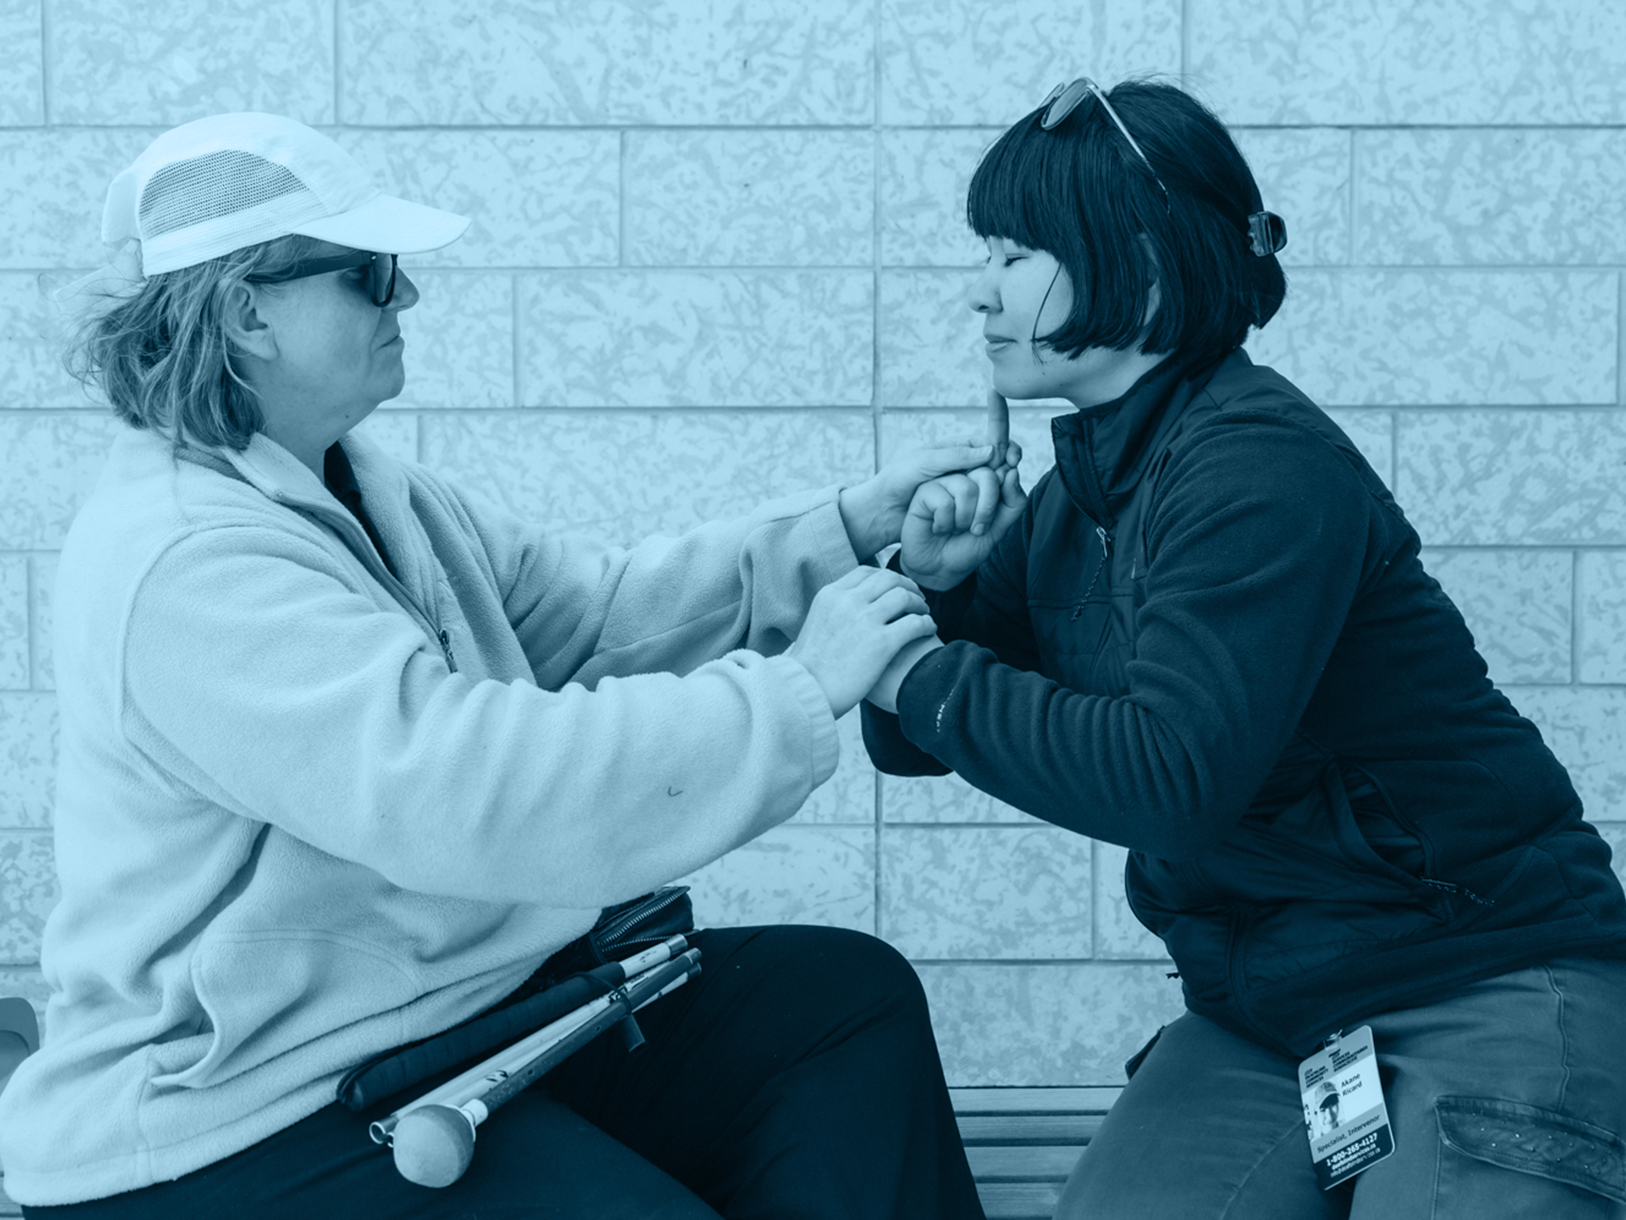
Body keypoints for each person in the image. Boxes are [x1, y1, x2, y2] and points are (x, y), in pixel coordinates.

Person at [0, 112, 1001, 1219]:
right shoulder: (185, 559)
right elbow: (471, 789)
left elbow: (599, 616)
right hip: (244, 1113)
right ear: (248, 312)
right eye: (373, 275)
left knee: (840, 1004)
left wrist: (850, 529)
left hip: (447, 1019)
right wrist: (802, 689)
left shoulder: (363, 481)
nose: (407, 300)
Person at [862, 78, 1626, 1218]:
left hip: (1484, 978)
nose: (979, 290)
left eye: (1018, 254)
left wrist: (910, 665)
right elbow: (916, 743)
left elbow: (1171, 778)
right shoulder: (1085, 492)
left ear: (1148, 272)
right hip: (1277, 1014)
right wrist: (937, 593)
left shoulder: (1257, 465)